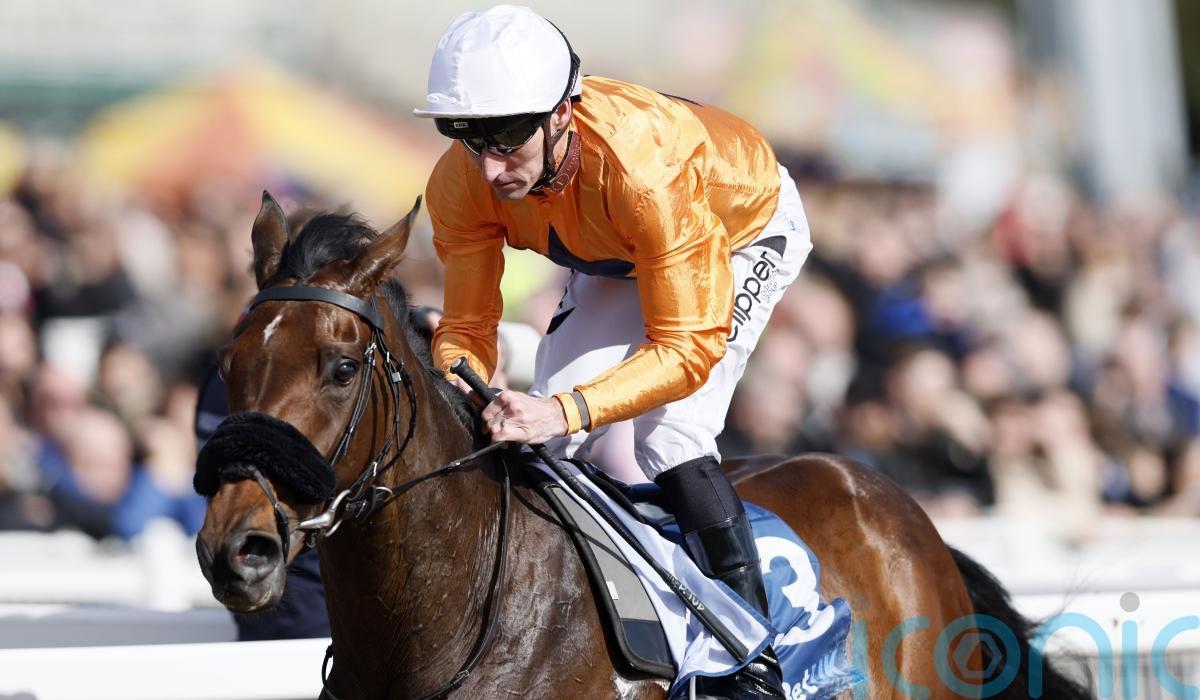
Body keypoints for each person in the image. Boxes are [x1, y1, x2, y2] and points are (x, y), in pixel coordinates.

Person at [417, 6, 811, 698]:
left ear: (561, 114)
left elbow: (685, 350)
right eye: (466, 137)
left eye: (506, 138)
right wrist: (460, 376)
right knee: (547, 443)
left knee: (669, 434)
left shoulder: (645, 170)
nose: (489, 167)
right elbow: (467, 326)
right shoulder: (461, 181)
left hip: (738, 231)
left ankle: (753, 658)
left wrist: (564, 408)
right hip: (623, 251)